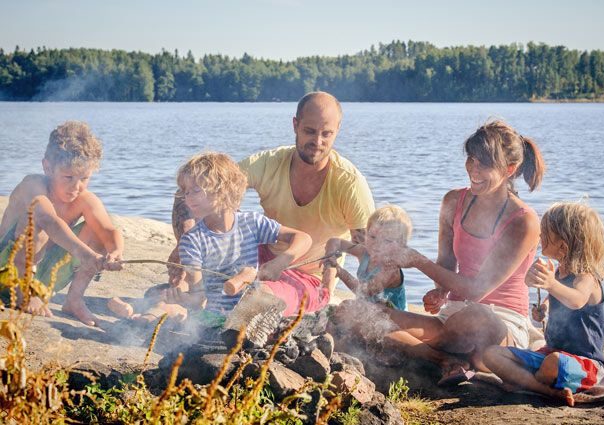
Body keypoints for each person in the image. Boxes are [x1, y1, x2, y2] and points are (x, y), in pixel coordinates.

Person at [168, 91, 375, 316]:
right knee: (189, 287)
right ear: (295, 125)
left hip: (306, 276)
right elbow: (205, 187)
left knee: (256, 297)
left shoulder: (350, 183)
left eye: (327, 134)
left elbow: (370, 252)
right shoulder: (269, 163)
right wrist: (185, 245)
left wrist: (368, 299)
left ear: (338, 131)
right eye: (309, 131)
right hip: (258, 261)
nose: (317, 142)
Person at [373, 120, 545, 384]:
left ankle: (427, 347)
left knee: (476, 317)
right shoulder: (453, 201)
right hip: (452, 317)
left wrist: (417, 260)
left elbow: (477, 291)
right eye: (471, 159)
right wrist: (441, 291)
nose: (473, 169)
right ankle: (445, 359)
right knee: (359, 313)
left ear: (509, 170)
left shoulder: (524, 221)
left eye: (484, 164)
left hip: (500, 324)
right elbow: (446, 263)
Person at [110, 152, 312, 323]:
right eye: (186, 192)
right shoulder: (192, 241)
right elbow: (198, 298)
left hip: (251, 308)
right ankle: (146, 316)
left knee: (265, 299)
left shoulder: (252, 223)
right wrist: (186, 300)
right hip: (214, 318)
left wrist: (280, 262)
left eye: (195, 191)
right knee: (177, 312)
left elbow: (303, 238)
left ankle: (144, 313)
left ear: (224, 191)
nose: (188, 198)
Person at [484, 202, 604, 406]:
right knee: (491, 354)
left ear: (563, 245)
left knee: (554, 363)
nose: (540, 237)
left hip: (583, 363)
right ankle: (545, 389)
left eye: (545, 233)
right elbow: (554, 297)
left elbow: (576, 300)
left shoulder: (586, 277)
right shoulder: (559, 271)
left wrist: (551, 284)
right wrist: (544, 308)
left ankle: (527, 382)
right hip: (550, 352)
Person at [0, 121, 123, 326]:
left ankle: (74, 300)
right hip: (6, 271)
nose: (76, 186)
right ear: (48, 167)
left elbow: (108, 230)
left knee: (96, 232)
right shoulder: (33, 185)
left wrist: (116, 251)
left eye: (84, 178)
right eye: (68, 177)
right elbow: (49, 220)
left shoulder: (84, 199)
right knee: (36, 222)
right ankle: (24, 293)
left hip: (44, 277)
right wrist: (85, 254)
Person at [323, 205, 411, 311]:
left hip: (394, 317)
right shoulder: (364, 252)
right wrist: (330, 256)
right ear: (367, 233)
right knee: (339, 310)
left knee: (347, 306)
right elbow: (335, 241)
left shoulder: (390, 269)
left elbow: (365, 291)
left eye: (386, 240)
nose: (377, 244)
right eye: (373, 237)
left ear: (400, 245)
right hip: (368, 309)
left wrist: (340, 271)